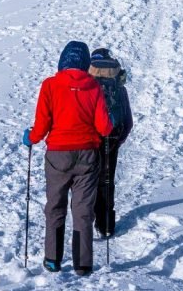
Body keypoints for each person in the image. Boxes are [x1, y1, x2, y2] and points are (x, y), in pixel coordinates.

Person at [23, 41, 113, 276]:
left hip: (58, 156)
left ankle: (52, 259)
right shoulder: (94, 86)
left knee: (55, 205)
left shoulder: (50, 85)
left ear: (62, 61)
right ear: (85, 63)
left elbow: (42, 124)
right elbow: (104, 128)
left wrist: (30, 137)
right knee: (83, 210)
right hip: (87, 155)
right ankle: (82, 264)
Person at [88, 49, 133, 238]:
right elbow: (128, 121)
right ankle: (106, 225)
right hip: (112, 138)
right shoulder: (118, 87)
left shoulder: (87, 84)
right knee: (107, 180)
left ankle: (84, 222)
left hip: (89, 138)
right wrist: (119, 140)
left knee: (86, 180)